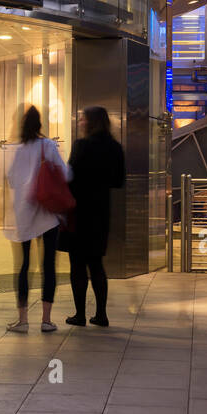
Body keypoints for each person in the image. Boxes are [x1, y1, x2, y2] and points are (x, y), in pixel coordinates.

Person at [6, 105, 71, 333]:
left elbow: (12, 180)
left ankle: (23, 321)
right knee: (48, 266)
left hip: (24, 215)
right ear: (40, 124)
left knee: (23, 266)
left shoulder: (17, 149)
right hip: (48, 216)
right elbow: (64, 174)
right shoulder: (49, 145)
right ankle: (46, 319)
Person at [62, 106, 125, 327]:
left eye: (82, 119)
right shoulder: (115, 148)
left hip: (79, 211)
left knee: (77, 264)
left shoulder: (82, 145)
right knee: (96, 264)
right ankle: (101, 314)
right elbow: (119, 181)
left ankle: (79, 314)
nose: (80, 122)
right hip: (100, 211)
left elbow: (69, 176)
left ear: (91, 122)